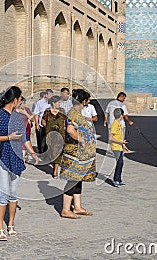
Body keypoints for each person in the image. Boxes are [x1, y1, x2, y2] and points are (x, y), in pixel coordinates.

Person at [0, 86, 39, 241]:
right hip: (1, 157)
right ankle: (0, 227)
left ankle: (11, 224)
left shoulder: (16, 116)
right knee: (3, 193)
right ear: (14, 99)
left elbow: (24, 138)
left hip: (15, 158)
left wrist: (33, 153)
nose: (20, 101)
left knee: (14, 193)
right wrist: (8, 137)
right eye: (20, 98)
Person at [60, 89, 96, 219]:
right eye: (87, 100)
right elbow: (70, 130)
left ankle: (77, 206)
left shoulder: (77, 112)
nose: (89, 102)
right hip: (74, 153)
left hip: (81, 154)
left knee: (78, 179)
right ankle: (65, 209)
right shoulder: (73, 113)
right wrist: (81, 139)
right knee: (73, 179)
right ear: (83, 101)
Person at [41, 95, 67, 178]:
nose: (60, 104)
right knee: (51, 151)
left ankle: (55, 169)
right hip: (50, 135)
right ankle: (54, 164)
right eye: (58, 102)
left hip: (60, 135)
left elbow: (65, 121)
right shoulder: (47, 111)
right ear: (53, 103)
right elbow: (43, 121)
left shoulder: (62, 111)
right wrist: (47, 127)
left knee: (58, 151)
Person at [109, 108, 129, 186]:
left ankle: (118, 179)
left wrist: (124, 146)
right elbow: (111, 138)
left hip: (120, 147)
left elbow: (119, 137)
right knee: (119, 162)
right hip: (115, 147)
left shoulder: (119, 124)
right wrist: (121, 142)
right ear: (121, 115)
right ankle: (116, 180)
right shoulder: (115, 125)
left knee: (120, 163)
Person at [33, 89, 53, 153]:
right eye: (50, 95)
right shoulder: (40, 103)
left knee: (48, 141)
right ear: (46, 95)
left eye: (52, 95)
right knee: (41, 141)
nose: (51, 96)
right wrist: (37, 124)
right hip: (41, 125)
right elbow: (36, 114)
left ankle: (47, 154)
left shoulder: (52, 103)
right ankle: (41, 153)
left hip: (49, 125)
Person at [15, 97, 34, 162]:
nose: (24, 105)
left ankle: (22, 160)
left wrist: (25, 113)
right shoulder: (14, 110)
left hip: (26, 130)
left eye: (24, 103)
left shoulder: (27, 109)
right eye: (23, 103)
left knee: (24, 145)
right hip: (16, 130)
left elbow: (32, 119)